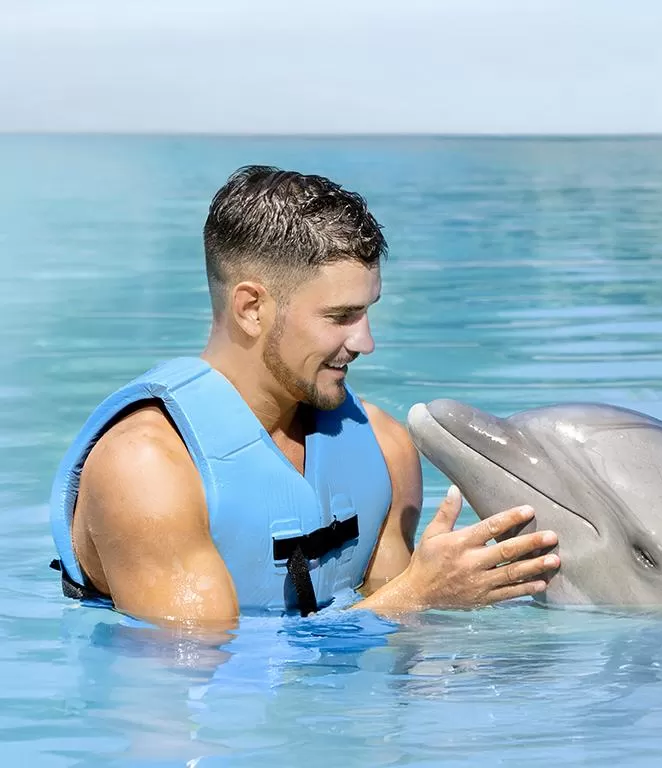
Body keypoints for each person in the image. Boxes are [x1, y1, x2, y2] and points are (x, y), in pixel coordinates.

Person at [48, 165, 560, 629]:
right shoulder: (147, 468)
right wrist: (417, 596)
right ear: (251, 308)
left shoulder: (384, 447)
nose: (366, 342)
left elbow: (396, 643)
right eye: (341, 317)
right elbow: (197, 670)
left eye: (367, 312)